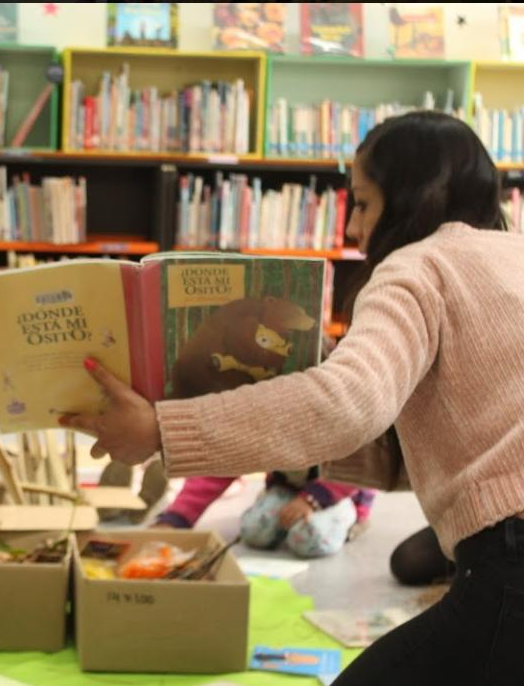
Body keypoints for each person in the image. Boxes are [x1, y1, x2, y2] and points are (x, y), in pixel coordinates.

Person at [60, 111, 524, 684]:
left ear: (411, 199)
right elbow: (456, 439)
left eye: (361, 204)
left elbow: (349, 403)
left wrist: (160, 428)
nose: (351, 230)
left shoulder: (416, 265)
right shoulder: (513, 255)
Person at [156, 473, 374, 559]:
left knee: (308, 539)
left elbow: (361, 459)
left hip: (340, 490)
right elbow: (222, 463)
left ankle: (355, 517)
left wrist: (312, 500)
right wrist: (176, 518)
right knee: (254, 531)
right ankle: (281, 503)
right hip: (290, 487)